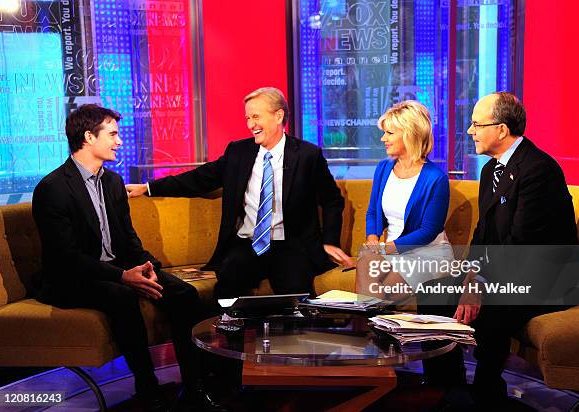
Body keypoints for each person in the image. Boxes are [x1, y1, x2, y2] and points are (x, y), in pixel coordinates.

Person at [32, 104, 225, 412]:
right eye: (113, 134)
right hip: (71, 278)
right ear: (88, 137)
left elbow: (128, 239)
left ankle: (194, 386)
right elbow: (65, 258)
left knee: (184, 294)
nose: (120, 141)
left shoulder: (112, 182)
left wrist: (149, 267)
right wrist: (124, 276)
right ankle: (147, 389)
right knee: (122, 295)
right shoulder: (52, 189)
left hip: (117, 268)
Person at [420, 92, 579, 408]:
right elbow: (483, 234)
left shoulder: (538, 171)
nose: (470, 131)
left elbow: (521, 245)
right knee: (432, 293)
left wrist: (480, 286)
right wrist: (471, 275)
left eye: (477, 124)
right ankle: (449, 388)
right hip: (506, 271)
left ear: (501, 130)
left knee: (493, 306)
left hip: (548, 277)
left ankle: (487, 393)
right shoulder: (491, 170)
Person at [126, 87, 353, 299]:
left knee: (295, 294)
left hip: (291, 244)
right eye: (247, 118)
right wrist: (148, 188)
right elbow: (200, 178)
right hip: (247, 244)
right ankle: (226, 339)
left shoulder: (307, 155)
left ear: (278, 116)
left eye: (256, 117)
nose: (250, 124)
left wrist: (330, 242)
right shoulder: (239, 151)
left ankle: (291, 339)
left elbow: (332, 200)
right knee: (227, 288)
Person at [355, 100, 453, 303]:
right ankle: (372, 330)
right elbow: (373, 212)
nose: (383, 139)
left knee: (385, 291)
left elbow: (428, 231)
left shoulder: (435, 178)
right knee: (365, 260)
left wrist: (384, 249)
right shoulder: (383, 168)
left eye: (389, 133)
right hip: (390, 249)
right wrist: (372, 238)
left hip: (427, 252)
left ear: (410, 134)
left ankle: (368, 329)